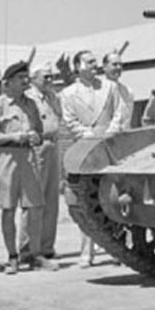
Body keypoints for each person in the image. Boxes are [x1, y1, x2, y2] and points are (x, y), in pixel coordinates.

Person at [0, 60, 58, 274]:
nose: (26, 80)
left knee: (35, 207)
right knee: (8, 210)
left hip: (29, 159)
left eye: (26, 77)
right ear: (9, 82)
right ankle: (13, 257)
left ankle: (35, 255)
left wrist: (36, 137)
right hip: (6, 160)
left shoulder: (31, 104)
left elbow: (39, 132)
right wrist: (13, 137)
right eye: (20, 78)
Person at [60, 49, 123, 268]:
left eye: (96, 61)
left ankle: (118, 250)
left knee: (111, 198)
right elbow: (70, 122)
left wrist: (109, 133)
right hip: (85, 150)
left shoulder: (110, 88)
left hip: (109, 148)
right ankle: (86, 253)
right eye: (89, 62)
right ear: (78, 66)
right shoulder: (68, 94)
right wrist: (89, 135)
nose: (95, 65)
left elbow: (119, 114)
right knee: (85, 201)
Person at [19, 62, 61, 262]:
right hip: (38, 147)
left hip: (53, 146)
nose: (50, 81)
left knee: (51, 199)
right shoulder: (29, 98)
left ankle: (46, 247)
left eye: (52, 76)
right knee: (34, 198)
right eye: (46, 77)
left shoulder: (53, 96)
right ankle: (28, 249)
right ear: (34, 78)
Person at [102, 50, 134, 130]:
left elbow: (127, 120)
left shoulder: (128, 92)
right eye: (114, 64)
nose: (118, 67)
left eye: (120, 65)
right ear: (105, 67)